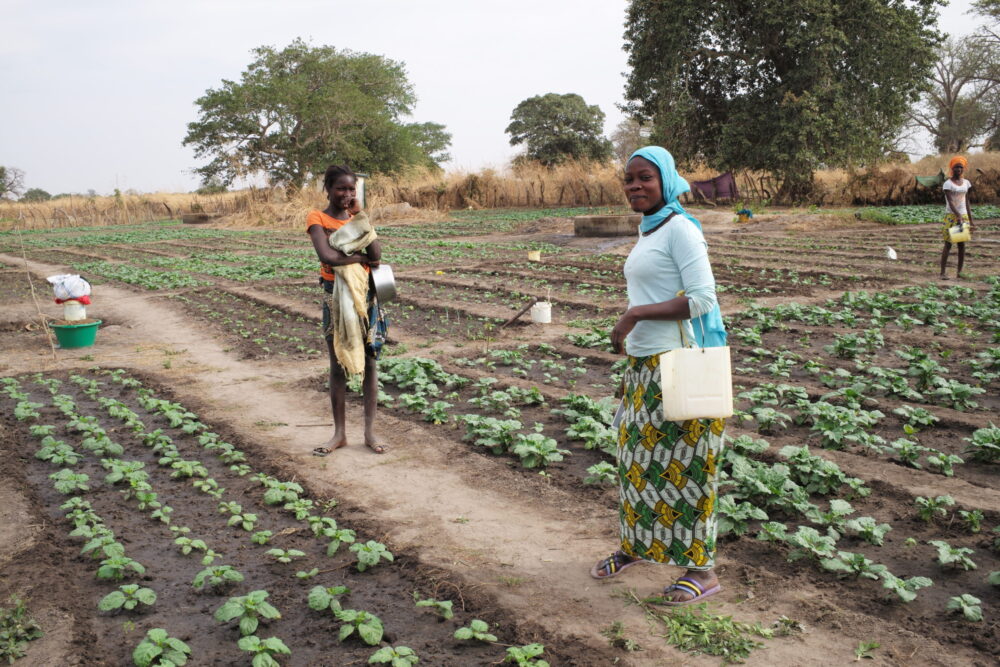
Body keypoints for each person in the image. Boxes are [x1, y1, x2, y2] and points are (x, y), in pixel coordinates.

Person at [590, 146, 728, 606]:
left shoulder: (681, 229)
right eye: (628, 179)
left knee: (689, 466)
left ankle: (702, 570)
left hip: (680, 362)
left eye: (644, 177)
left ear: (666, 180)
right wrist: (634, 341)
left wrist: (634, 315)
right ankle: (638, 546)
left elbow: (703, 298)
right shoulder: (650, 229)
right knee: (636, 461)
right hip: (644, 365)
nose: (634, 186)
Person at [307, 165, 385, 455]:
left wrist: (360, 215)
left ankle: (370, 432)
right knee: (338, 363)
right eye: (341, 188)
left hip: (364, 295)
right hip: (334, 297)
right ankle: (339, 434)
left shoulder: (355, 217)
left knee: (371, 362)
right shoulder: (317, 218)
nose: (347, 194)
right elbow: (326, 256)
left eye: (351, 189)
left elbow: (376, 254)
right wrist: (359, 257)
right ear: (327, 189)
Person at [940, 155, 974, 280]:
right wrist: (957, 215)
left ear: (963, 169)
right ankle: (942, 272)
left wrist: (970, 220)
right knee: (948, 244)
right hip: (951, 216)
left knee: (961, 244)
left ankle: (959, 272)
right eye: (956, 167)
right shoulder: (947, 184)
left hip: (963, 215)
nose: (958, 169)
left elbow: (967, 201)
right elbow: (950, 201)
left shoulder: (966, 183)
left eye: (960, 167)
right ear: (952, 169)